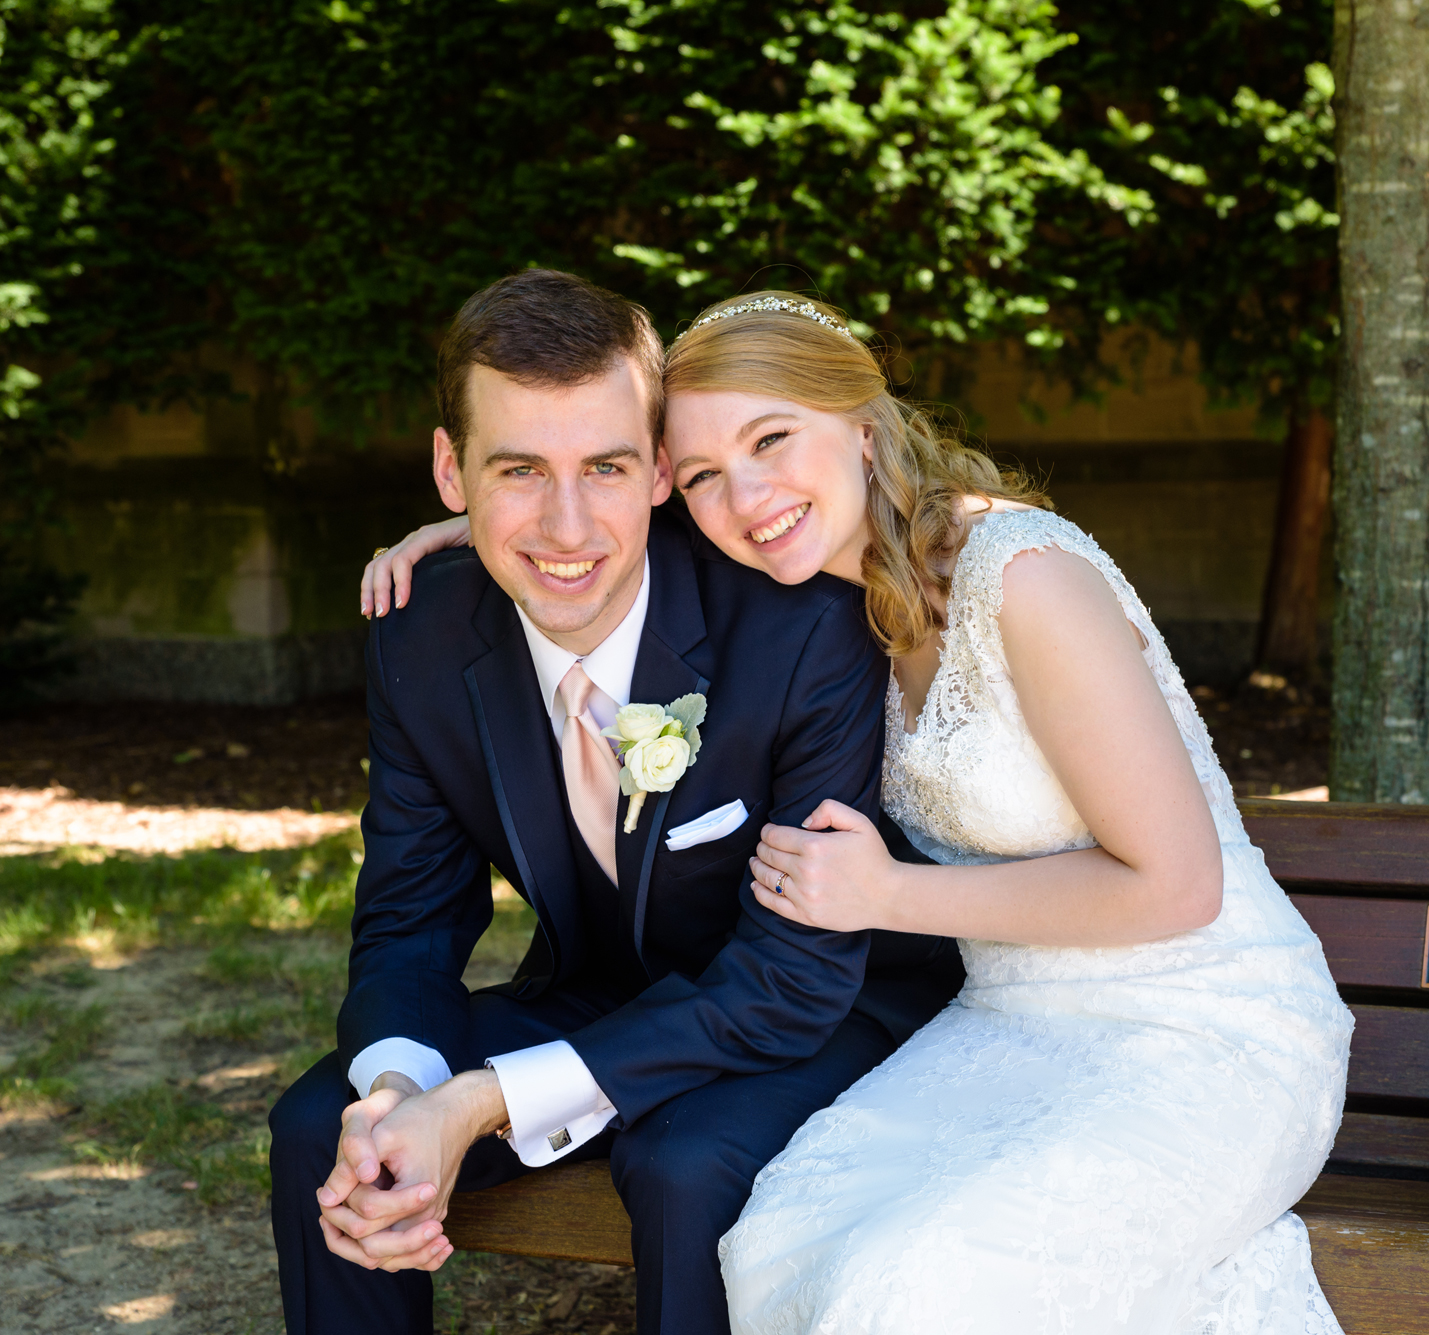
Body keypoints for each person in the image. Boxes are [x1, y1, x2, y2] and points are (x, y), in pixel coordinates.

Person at [363, 291, 1355, 1332]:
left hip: (1204, 1032)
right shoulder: (841, 606)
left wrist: (888, 892)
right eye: (701, 474)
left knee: (915, 1282)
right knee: (776, 1240)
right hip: (1010, 1027)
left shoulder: (1023, 577)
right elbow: (588, 503)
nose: (744, 495)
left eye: (771, 440)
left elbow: (1178, 886)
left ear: (864, 427)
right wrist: (476, 533)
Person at [274, 271, 964, 1335]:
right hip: (601, 991)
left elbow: (791, 980)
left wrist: (484, 1101)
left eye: (604, 466)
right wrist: (400, 1091)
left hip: (823, 1005)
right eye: (518, 470)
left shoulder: (795, 629)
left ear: (655, 473)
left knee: (682, 1160)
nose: (565, 524)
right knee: (332, 1122)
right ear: (450, 471)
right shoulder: (421, 635)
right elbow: (409, 923)